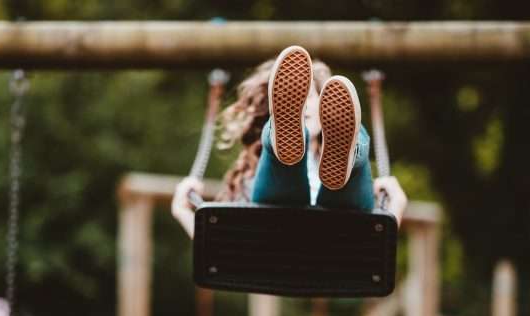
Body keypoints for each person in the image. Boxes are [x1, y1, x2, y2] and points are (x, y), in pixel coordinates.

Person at [172, 46, 407, 238]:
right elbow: (376, 250)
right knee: (279, 173)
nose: (302, 105)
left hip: (333, 230)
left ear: (327, 106)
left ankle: (349, 155)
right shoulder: (248, 177)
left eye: (309, 97)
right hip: (313, 239)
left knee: (347, 178)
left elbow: (219, 254)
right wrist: (395, 207)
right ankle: (281, 145)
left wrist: (183, 211)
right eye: (295, 99)